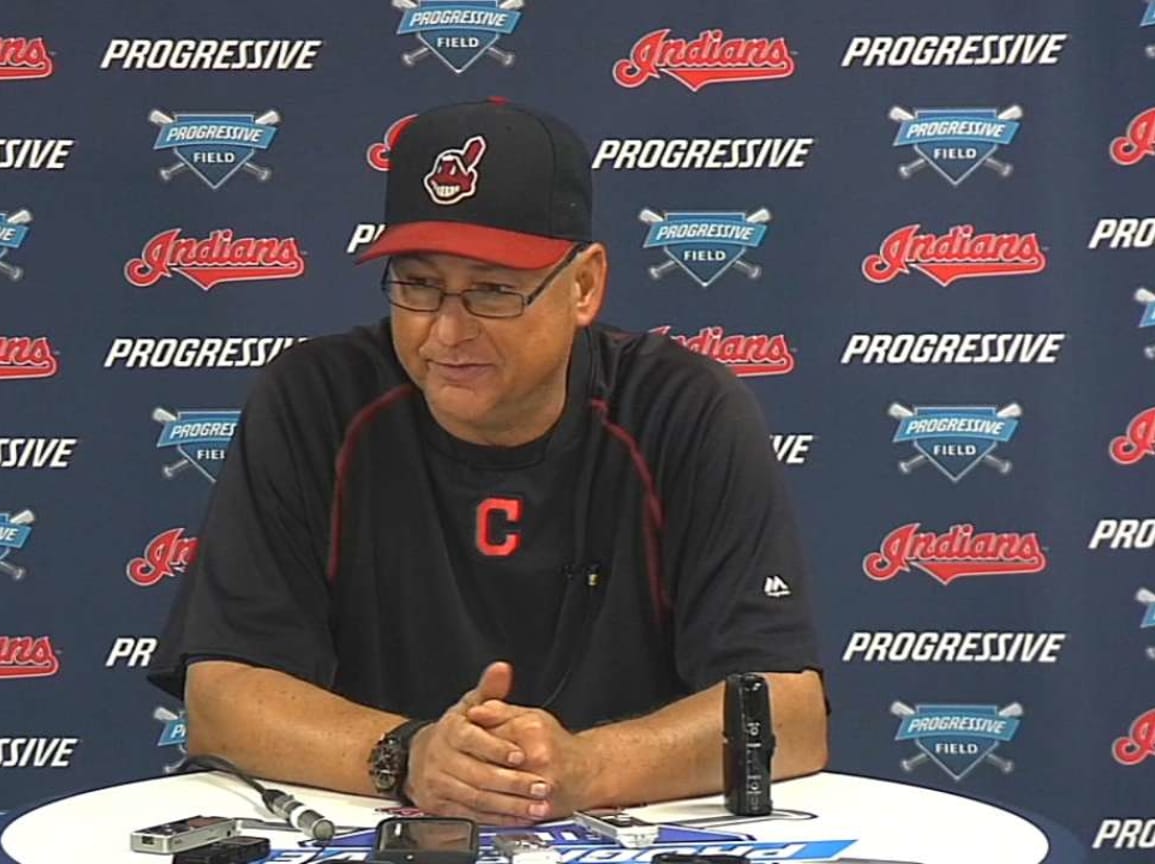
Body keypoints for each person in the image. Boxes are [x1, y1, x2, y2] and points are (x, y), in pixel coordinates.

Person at [149, 98, 827, 827]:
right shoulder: (315, 398)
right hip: (371, 834)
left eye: (493, 290)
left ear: (585, 286)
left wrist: (582, 768)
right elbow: (219, 697)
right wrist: (410, 756)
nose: (446, 330)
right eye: (418, 285)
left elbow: (789, 711)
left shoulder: (681, 408)